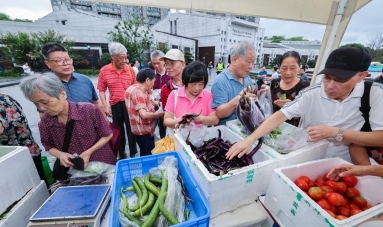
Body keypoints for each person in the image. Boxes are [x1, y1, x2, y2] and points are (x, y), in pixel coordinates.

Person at [226, 46, 383, 163]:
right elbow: (281, 115)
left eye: (340, 80)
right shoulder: (312, 92)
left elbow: (379, 138)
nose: (330, 86)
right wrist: (250, 139)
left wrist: (336, 132)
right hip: (306, 158)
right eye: (327, 77)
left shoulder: (375, 94)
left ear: (361, 76)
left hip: (343, 162)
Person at [20, 73, 117, 169]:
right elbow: (48, 146)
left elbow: (107, 134)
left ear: (62, 94)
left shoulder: (89, 110)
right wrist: (60, 155)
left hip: (103, 163)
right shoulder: (45, 122)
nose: (41, 108)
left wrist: (89, 152)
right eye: (36, 104)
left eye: (45, 102)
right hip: (73, 170)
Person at [41, 42, 106, 120]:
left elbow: (96, 103)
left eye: (67, 59)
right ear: (47, 63)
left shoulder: (85, 79)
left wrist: (106, 124)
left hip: (91, 127)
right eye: (58, 60)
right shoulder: (44, 85)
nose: (66, 63)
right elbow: (43, 113)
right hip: (65, 130)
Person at [98, 42, 137, 159]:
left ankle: (133, 153)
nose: (125, 60)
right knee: (118, 132)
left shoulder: (130, 70)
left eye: (126, 57)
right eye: (121, 58)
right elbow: (101, 90)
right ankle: (121, 153)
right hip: (115, 105)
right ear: (112, 57)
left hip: (129, 105)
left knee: (132, 131)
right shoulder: (104, 71)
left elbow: (136, 87)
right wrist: (105, 107)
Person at [0, 93, 48, 187]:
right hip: (30, 149)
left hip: (15, 158)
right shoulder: (5, 96)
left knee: (29, 190)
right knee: (41, 186)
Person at [211, 41, 256, 125]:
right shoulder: (220, 81)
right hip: (229, 132)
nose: (251, 66)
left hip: (245, 127)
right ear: (234, 60)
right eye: (248, 62)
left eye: (253, 62)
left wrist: (261, 93)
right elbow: (220, 113)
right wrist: (239, 99)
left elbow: (253, 98)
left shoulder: (247, 78)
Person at [164, 61, 219, 128]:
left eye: (201, 84)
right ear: (186, 81)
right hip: (179, 137)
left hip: (201, 137)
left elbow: (215, 119)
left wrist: (202, 119)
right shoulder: (174, 95)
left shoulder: (208, 96)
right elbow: (166, 120)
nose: (197, 88)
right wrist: (180, 121)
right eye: (193, 84)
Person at [125, 69, 164, 156]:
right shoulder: (139, 93)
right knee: (148, 154)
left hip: (139, 129)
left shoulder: (133, 88)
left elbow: (148, 102)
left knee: (144, 152)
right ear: (147, 80)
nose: (154, 83)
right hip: (143, 129)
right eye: (153, 80)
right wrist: (160, 114)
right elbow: (144, 115)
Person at [269, 51, 310, 126]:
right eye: (284, 68)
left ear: (299, 67)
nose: (288, 72)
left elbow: (303, 115)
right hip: (272, 127)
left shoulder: (305, 87)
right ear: (279, 67)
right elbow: (269, 105)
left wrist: (291, 108)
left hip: (291, 131)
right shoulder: (274, 83)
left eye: (292, 68)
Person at [151, 50, 170, 139]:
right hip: (153, 108)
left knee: (165, 131)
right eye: (154, 63)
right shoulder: (151, 75)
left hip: (167, 109)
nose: (156, 66)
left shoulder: (170, 74)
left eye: (158, 63)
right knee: (151, 130)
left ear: (164, 61)